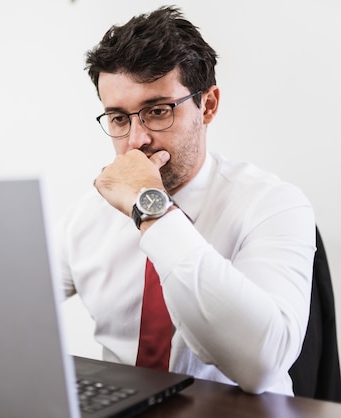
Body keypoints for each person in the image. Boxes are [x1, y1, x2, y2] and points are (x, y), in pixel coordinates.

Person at [56, 6, 315, 396]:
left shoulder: (275, 204)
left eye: (158, 111)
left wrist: (151, 210)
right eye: (119, 118)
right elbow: (5, 307)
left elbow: (261, 365)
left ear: (207, 105)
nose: (136, 140)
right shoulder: (86, 216)